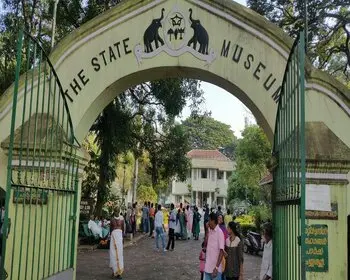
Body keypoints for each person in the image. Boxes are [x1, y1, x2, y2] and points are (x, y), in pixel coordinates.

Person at [204, 212, 225, 280]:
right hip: (207, 267)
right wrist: (207, 230)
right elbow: (205, 244)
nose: (208, 222)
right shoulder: (210, 231)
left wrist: (216, 267)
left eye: (209, 220)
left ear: (213, 221)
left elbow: (221, 251)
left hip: (215, 269)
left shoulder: (220, 232)